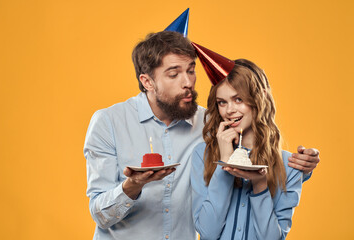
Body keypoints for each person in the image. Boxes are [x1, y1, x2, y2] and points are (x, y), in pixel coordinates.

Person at [84, 31, 319, 239]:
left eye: (191, 70)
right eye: (174, 74)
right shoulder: (109, 122)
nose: (188, 82)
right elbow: (100, 214)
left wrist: (302, 166)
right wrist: (132, 185)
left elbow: (256, 147)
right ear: (147, 82)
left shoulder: (211, 122)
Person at [191, 58, 315, 240]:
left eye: (238, 99)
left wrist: (260, 185)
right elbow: (208, 232)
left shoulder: (290, 167)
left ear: (260, 98)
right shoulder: (203, 155)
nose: (229, 110)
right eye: (222, 102)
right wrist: (224, 161)